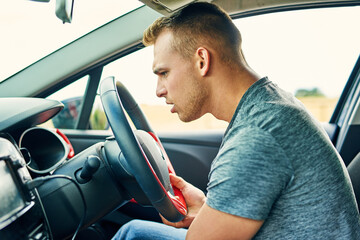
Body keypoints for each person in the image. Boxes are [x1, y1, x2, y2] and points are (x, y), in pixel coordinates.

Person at [113, 2, 360, 239]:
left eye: (164, 73)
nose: (159, 90)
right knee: (133, 232)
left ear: (202, 61)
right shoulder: (270, 106)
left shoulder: (256, 136)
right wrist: (206, 207)